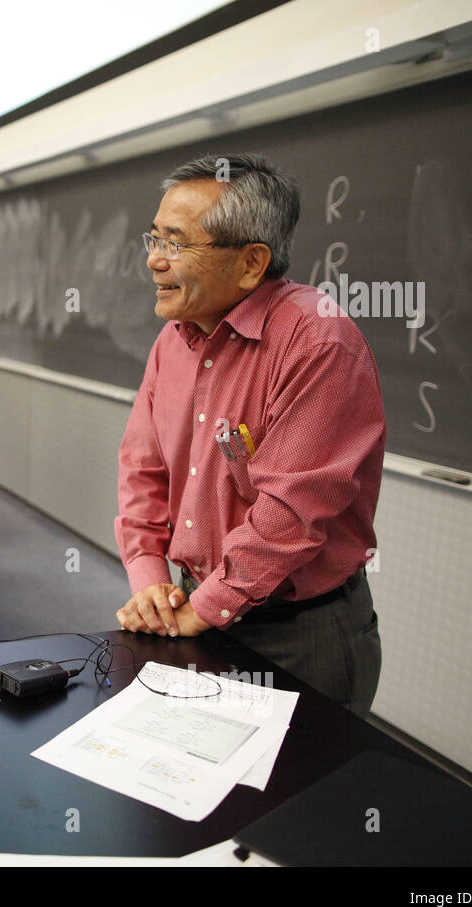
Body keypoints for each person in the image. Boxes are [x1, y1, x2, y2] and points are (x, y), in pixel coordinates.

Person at [113, 153, 386, 716]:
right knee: (189, 785)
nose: (153, 261)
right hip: (197, 611)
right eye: (153, 238)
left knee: (297, 800)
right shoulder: (173, 341)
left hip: (298, 634)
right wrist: (149, 582)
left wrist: (203, 607)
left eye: (176, 243)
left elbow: (292, 510)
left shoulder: (318, 340)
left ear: (250, 262)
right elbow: (143, 472)